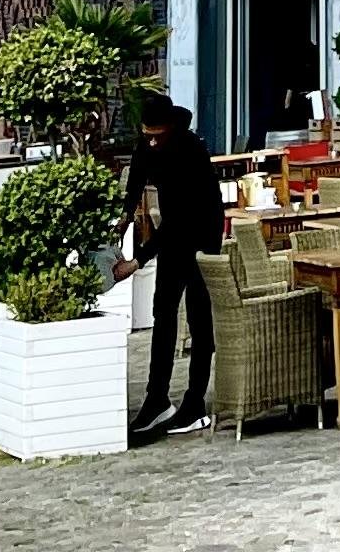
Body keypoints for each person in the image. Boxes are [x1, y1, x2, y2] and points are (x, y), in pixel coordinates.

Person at [117, 94, 225, 440]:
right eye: (146, 134)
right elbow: (136, 177)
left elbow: (177, 220)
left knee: (197, 315)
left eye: (157, 135)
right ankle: (157, 397)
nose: (151, 141)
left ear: (172, 129)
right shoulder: (148, 143)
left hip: (201, 230)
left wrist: (138, 261)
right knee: (162, 310)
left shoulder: (189, 150)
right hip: (175, 231)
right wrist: (123, 218)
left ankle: (194, 404)